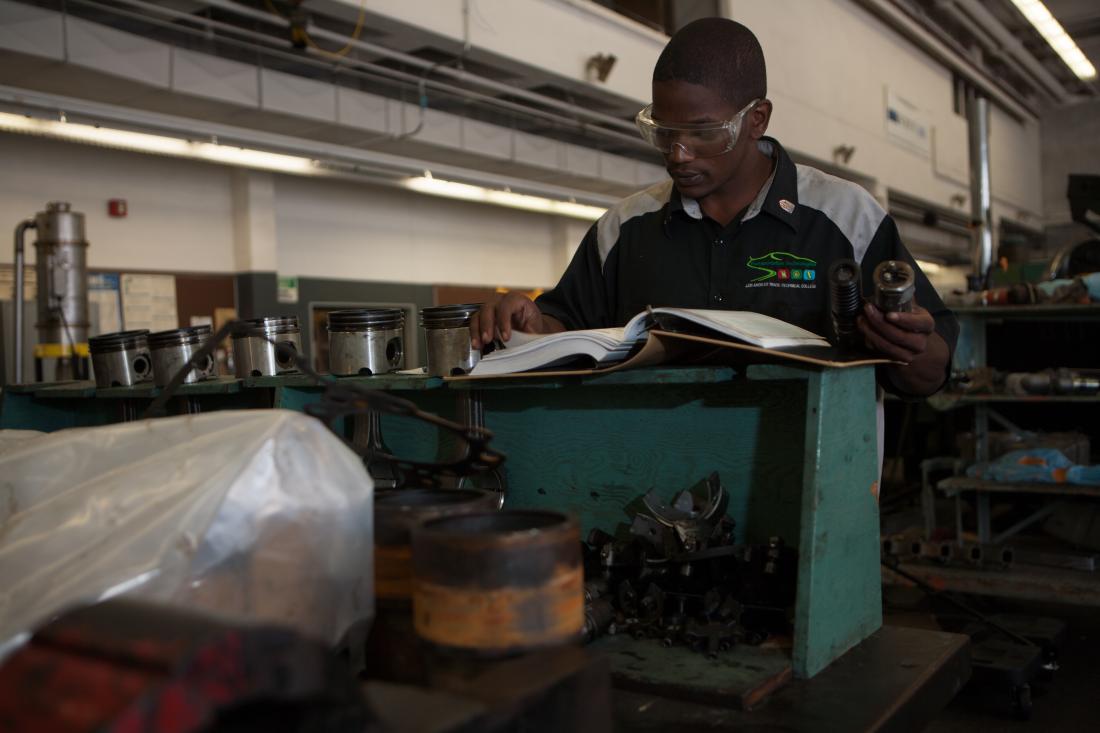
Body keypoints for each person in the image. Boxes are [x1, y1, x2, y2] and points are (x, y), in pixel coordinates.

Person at [471, 17, 957, 398]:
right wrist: (531, 325)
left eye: (703, 133)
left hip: (815, 500)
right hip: (652, 500)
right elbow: (565, 332)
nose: (678, 154)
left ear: (756, 120)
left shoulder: (847, 219)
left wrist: (911, 349)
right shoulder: (622, 231)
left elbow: (932, 371)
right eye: (663, 132)